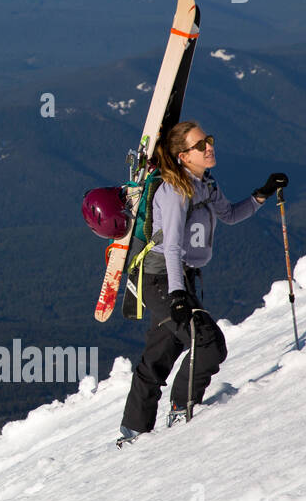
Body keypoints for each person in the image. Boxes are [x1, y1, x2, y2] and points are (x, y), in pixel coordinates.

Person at [118, 121, 287, 440]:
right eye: (199, 145)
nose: (208, 147)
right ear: (182, 156)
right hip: (160, 279)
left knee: (162, 351)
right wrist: (178, 295)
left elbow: (231, 215)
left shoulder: (206, 183)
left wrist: (262, 193)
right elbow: (170, 246)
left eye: (208, 140)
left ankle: (133, 430)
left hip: (177, 279)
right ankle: (181, 410)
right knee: (208, 342)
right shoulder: (173, 191)